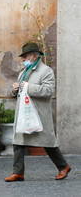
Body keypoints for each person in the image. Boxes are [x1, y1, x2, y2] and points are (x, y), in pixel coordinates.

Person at [5, 42, 71, 182]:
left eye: (25, 56)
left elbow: (48, 91)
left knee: (47, 142)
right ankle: (18, 173)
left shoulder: (46, 71)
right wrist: (14, 90)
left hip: (39, 114)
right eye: (22, 56)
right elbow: (16, 92)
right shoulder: (23, 72)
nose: (23, 59)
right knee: (18, 142)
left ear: (35, 56)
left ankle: (63, 166)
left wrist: (27, 87)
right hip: (24, 113)